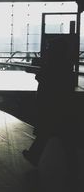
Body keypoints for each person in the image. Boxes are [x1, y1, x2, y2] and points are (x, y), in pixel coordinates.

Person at [22, 37, 76, 171]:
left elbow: (44, 78)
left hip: (51, 102)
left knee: (48, 131)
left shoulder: (53, 62)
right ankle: (71, 162)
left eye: (49, 46)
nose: (47, 49)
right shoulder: (65, 62)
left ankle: (35, 155)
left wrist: (38, 74)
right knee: (59, 132)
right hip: (59, 101)